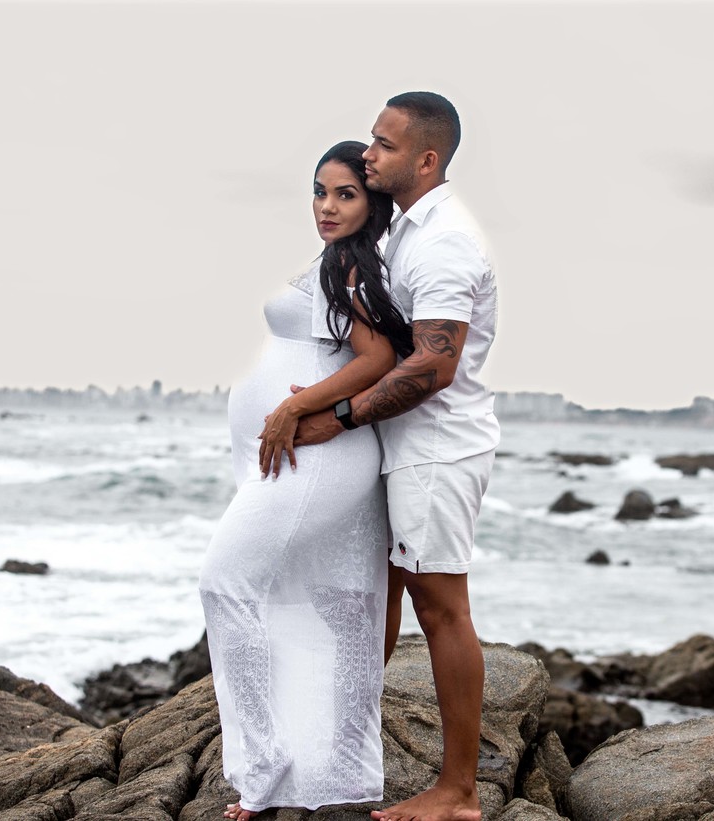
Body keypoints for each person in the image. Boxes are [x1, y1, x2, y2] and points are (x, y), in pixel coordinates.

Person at [290, 91, 498, 821]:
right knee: (376, 595)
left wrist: (336, 415)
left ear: (425, 158)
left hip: (437, 450)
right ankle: (337, 747)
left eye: (381, 145)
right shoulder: (404, 231)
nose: (368, 153)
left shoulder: (445, 240)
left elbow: (433, 365)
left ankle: (459, 790)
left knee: (441, 608)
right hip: (404, 448)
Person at [197, 140, 413, 821]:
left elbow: (378, 356)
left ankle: (264, 774)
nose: (326, 206)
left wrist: (294, 405)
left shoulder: (354, 264)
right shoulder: (336, 261)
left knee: (225, 580)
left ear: (371, 201)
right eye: (320, 191)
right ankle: (333, 765)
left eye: (345, 194)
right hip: (299, 455)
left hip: (321, 453)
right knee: (330, 601)